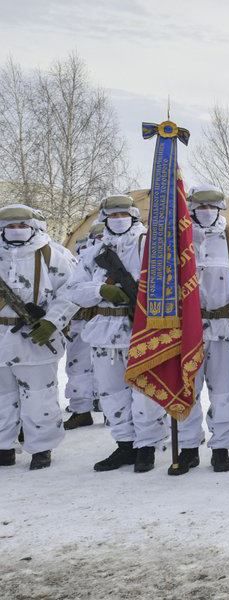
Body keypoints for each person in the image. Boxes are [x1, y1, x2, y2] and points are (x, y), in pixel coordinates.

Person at [65, 195, 168, 472]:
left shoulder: (149, 246)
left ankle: (146, 446)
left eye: (123, 214)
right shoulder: (93, 252)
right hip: (103, 333)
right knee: (111, 392)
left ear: (133, 217)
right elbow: (73, 290)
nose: (118, 219)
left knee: (145, 391)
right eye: (113, 215)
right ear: (104, 219)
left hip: (141, 330)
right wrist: (101, 290)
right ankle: (125, 444)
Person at [172, 184, 229, 475]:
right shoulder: (176, 241)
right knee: (187, 389)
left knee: (224, 392)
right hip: (185, 331)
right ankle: (189, 448)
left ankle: (221, 448)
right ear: (190, 208)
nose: (205, 211)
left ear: (221, 208)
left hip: (224, 328)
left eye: (211, 206)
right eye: (199, 206)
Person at [0, 204, 77, 470]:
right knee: (2, 396)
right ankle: (3, 446)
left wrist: (52, 321)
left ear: (33, 227)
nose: (17, 230)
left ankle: (41, 447)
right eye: (11, 226)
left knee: (39, 396)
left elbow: (71, 292)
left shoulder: (52, 255)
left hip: (35, 337)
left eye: (22, 225)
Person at [62, 223, 105, 430]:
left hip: (108, 324)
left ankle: (110, 410)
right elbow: (71, 290)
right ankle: (81, 410)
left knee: (108, 369)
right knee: (77, 367)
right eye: (97, 236)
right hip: (80, 322)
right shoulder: (83, 259)